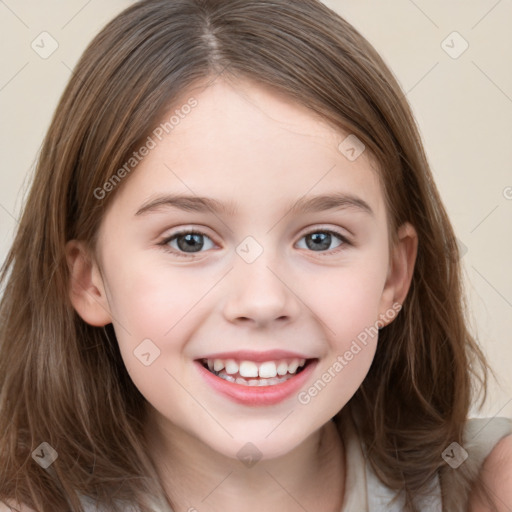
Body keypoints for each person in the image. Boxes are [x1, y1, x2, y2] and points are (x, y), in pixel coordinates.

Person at [0, 1, 511, 511]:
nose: (263, 301)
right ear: (91, 281)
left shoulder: (488, 489)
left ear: (394, 277)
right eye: (190, 241)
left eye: (320, 239)